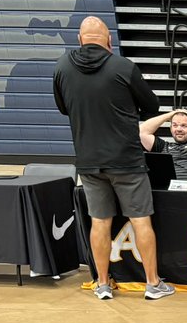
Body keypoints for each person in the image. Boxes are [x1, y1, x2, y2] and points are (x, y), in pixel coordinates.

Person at [53, 16, 172, 301]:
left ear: (80, 40)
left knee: (100, 222)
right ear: (109, 41)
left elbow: (62, 108)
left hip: (89, 161)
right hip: (127, 160)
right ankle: (153, 284)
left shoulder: (62, 67)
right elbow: (151, 105)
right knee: (140, 220)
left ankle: (102, 284)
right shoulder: (123, 67)